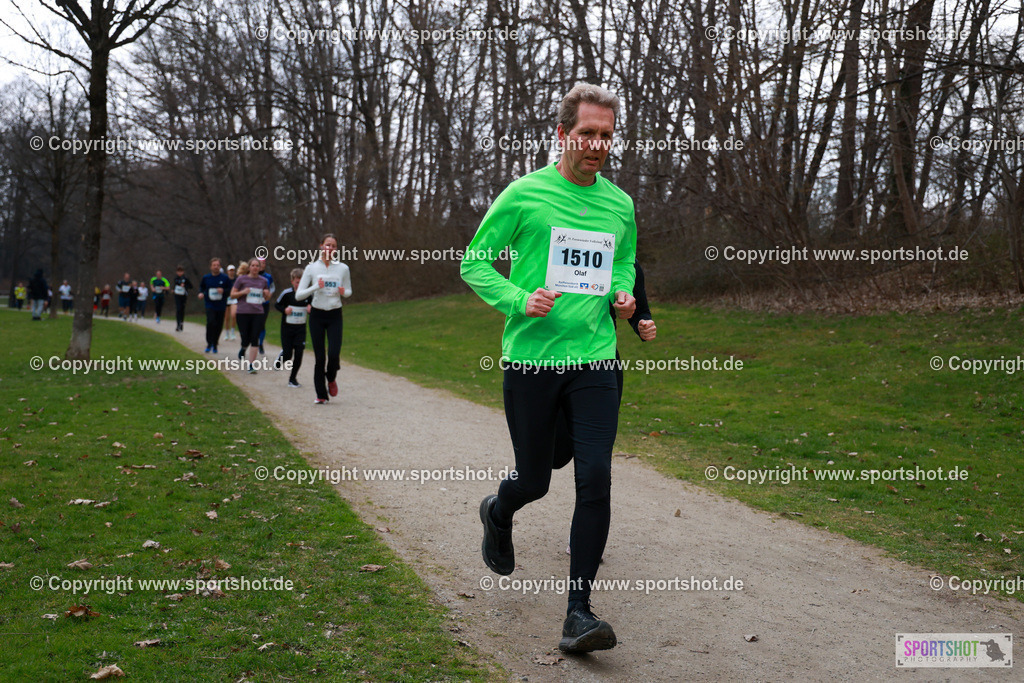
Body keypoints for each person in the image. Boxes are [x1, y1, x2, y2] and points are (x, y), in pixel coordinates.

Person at [461, 83, 637, 654]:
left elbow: (626, 260)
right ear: (562, 134)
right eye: (587, 133)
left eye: (606, 135)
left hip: (595, 359)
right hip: (533, 361)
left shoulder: (619, 203)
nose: (597, 145)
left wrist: (624, 294)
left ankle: (578, 613)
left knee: (595, 478)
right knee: (535, 478)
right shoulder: (525, 194)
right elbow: (474, 262)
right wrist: (518, 299)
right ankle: (499, 508)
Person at [296, 234, 352, 404]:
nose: (330, 249)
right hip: (317, 315)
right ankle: (321, 394)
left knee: (334, 354)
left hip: (335, 314)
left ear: (336, 249)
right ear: (321, 246)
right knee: (320, 357)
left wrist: (343, 292)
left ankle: (332, 378)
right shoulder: (311, 268)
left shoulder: (343, 268)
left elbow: (349, 291)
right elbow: (299, 295)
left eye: (333, 246)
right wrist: (315, 286)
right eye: (327, 245)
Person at [230, 257, 271, 374]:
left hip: (258, 313)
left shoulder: (263, 281)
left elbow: (266, 297)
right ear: (249, 267)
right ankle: (243, 347)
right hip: (243, 313)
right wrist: (243, 292)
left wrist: (267, 294)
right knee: (245, 337)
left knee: (255, 338)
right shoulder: (241, 279)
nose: (255, 268)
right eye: (253, 265)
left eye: (257, 266)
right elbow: (232, 295)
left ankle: (251, 365)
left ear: (260, 268)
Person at [274, 268, 311, 387]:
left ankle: (292, 379)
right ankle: (281, 358)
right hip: (287, 329)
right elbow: (277, 305)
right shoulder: (286, 294)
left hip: (300, 329)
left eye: (302, 282)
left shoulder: (308, 295)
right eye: (297, 282)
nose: (299, 284)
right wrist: (284, 310)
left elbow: (313, 306)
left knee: (299, 353)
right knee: (288, 354)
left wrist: (311, 309)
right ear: (292, 282)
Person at [198, 258, 231, 353]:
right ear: (210, 267)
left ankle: (215, 343)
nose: (216, 267)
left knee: (218, 324)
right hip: (209, 304)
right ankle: (209, 343)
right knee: (211, 322)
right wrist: (200, 293)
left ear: (220, 267)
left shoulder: (225, 278)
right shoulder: (206, 278)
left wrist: (223, 291)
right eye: (214, 265)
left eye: (217, 265)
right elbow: (201, 287)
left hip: (221, 305)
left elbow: (231, 290)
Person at [253, 258, 275, 354]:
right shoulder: (252, 276)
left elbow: (273, 287)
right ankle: (253, 342)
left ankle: (260, 344)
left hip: (264, 303)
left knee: (261, 324)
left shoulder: (268, 277)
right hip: (253, 304)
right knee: (253, 324)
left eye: (264, 263)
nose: (262, 265)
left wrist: (269, 294)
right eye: (260, 263)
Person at [172, 266, 193, 331]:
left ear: (183, 272)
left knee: (182, 309)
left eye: (181, 271)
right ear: (176, 272)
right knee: (178, 309)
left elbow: (191, 286)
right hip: (177, 295)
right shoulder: (176, 278)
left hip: (183, 295)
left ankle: (181, 323)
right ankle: (178, 324)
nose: (179, 273)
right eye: (178, 271)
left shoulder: (186, 278)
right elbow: (174, 285)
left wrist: (185, 286)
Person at [223, 264, 238, 340]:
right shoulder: (225, 280)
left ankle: (232, 332)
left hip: (234, 300)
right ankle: (227, 333)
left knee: (233, 315)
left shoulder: (236, 280)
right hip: (226, 299)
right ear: (227, 271)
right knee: (227, 317)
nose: (231, 272)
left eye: (233, 270)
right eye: (230, 270)